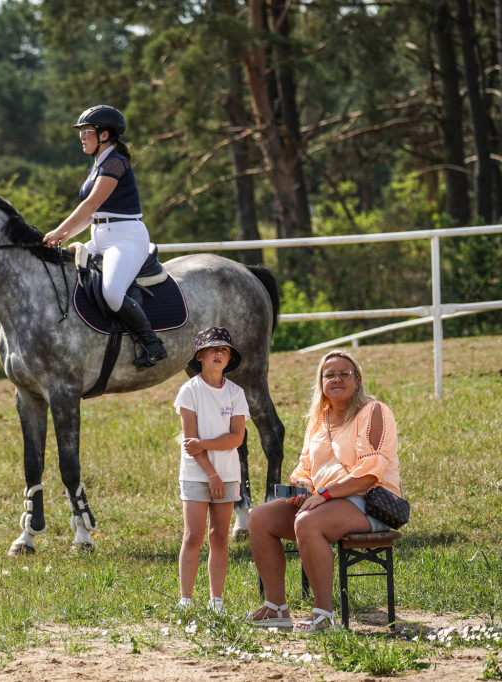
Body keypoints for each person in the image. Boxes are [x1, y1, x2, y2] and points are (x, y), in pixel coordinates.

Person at [246, 350, 402, 633]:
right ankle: (276, 608)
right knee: (258, 518)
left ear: (357, 380)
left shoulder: (374, 411)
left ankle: (323, 615)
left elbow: (371, 472)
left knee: (307, 522)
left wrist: (326, 494)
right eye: (329, 374)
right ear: (321, 382)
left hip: (366, 502)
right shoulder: (320, 419)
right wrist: (303, 487)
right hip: (323, 501)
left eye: (344, 373)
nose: (337, 378)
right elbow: (304, 467)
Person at [43, 105, 167, 368]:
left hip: (126, 238)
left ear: (105, 134)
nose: (82, 136)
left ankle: (152, 343)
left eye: (87, 131)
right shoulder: (98, 164)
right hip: (100, 236)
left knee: (112, 293)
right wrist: (63, 236)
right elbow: (92, 215)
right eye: (82, 132)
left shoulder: (115, 162)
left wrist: (57, 230)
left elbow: (89, 205)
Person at [173, 327, 250, 614]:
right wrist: (211, 474)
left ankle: (216, 600)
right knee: (193, 535)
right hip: (196, 474)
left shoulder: (236, 393)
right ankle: (186, 599)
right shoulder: (189, 391)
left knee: (219, 535)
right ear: (200, 356)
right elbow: (188, 445)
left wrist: (205, 445)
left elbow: (236, 438)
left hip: (229, 474)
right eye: (213, 349)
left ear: (229, 359)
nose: (219, 353)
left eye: (225, 350)